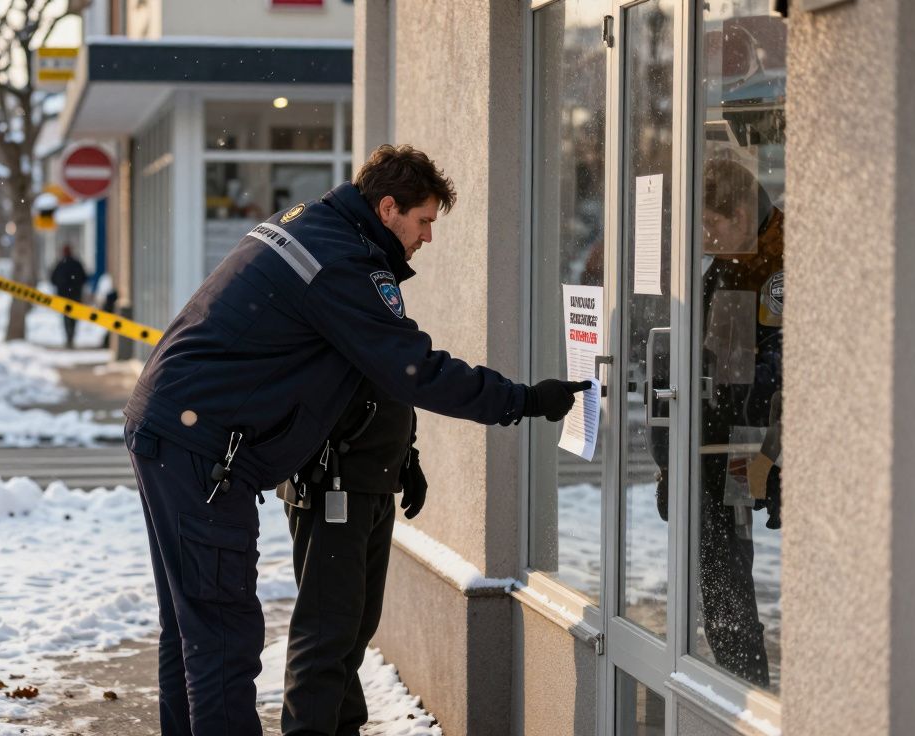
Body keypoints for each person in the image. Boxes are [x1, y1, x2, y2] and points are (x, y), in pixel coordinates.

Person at [122, 144, 591, 736]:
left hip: (173, 427)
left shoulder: (316, 229)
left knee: (193, 625)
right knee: (220, 632)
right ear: (387, 207)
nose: (427, 238)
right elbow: (411, 367)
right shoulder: (341, 261)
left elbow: (364, 367)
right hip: (200, 446)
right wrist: (522, 400)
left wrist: (404, 450)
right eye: (423, 222)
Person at [654, 157, 782, 686]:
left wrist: (766, 463)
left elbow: (770, 372)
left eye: (713, 224)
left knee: (726, 573)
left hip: (747, 442)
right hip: (719, 442)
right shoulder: (740, 255)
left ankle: (742, 690)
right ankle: (736, 685)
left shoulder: (775, 265)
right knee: (720, 573)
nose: (705, 237)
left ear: (742, 213)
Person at [275, 344, 423, 736]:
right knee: (326, 631)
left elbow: (390, 374)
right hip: (330, 484)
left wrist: (407, 456)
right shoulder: (336, 285)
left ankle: (343, 727)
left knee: (354, 629)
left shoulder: (376, 290)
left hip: (372, 479)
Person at [49, 244, 87, 348]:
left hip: (64, 296)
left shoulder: (60, 264)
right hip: (75, 295)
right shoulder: (76, 264)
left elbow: (52, 279)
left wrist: (61, 285)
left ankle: (69, 336)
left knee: (66, 317)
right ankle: (71, 336)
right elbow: (84, 277)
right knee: (73, 317)